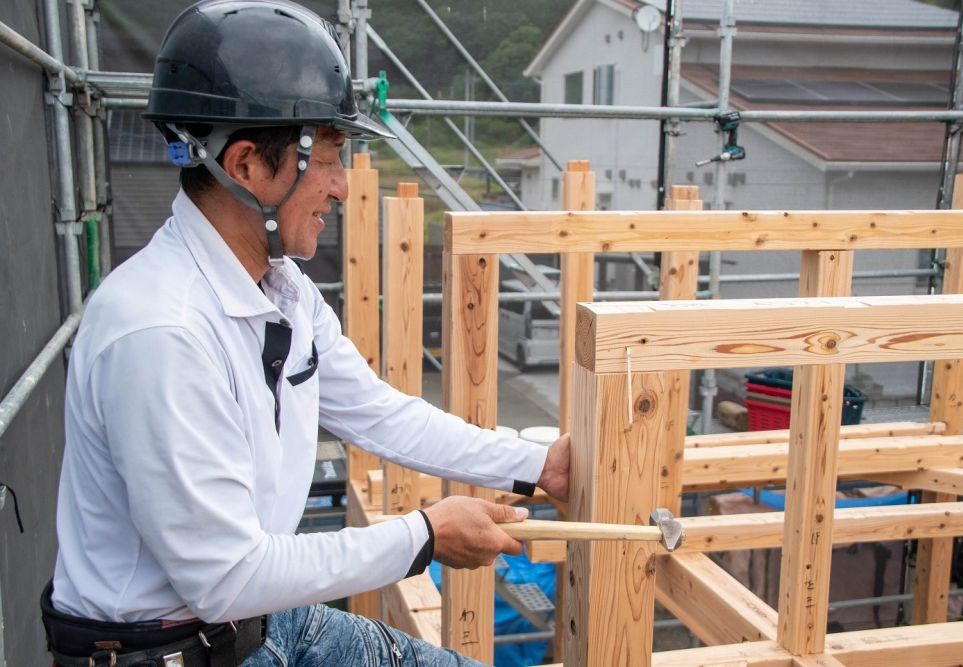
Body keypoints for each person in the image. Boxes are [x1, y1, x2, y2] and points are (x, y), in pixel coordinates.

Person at [42, 1, 570, 665]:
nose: (343, 187)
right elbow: (225, 574)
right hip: (164, 649)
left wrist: (534, 465)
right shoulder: (160, 331)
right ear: (245, 165)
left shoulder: (284, 289)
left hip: (257, 621)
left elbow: (378, 414)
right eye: (325, 157)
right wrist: (425, 535)